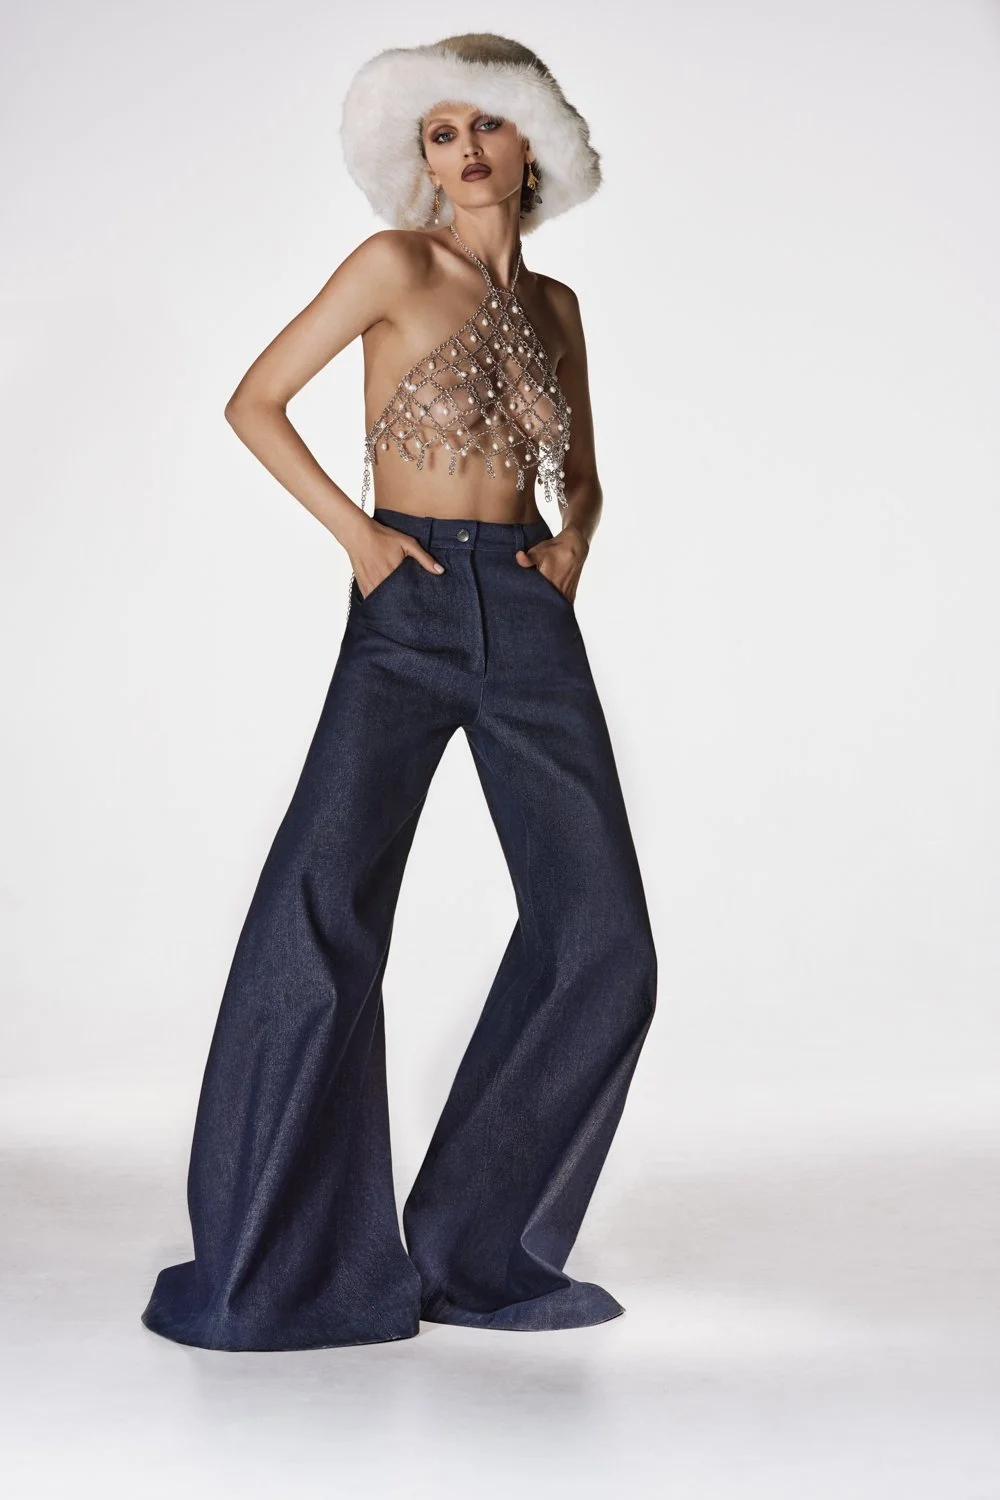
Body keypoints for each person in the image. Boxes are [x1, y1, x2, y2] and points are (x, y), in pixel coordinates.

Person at [140, 32, 658, 1352]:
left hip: (528, 617)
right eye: (439, 133)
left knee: (603, 941)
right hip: (409, 604)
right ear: (416, 156)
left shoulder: (559, 312)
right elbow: (256, 402)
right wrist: (362, 541)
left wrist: (575, 542)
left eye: (484, 126)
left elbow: (582, 472)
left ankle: (478, 1250)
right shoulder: (394, 266)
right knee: (321, 913)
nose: (465, 152)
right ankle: (272, 1256)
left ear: (530, 142)